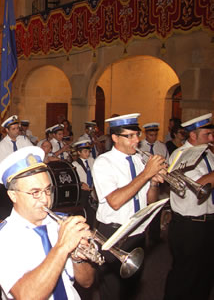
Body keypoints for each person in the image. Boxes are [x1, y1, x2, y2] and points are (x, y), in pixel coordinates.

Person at [0, 146, 95, 299]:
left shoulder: (60, 223)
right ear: (13, 195)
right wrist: (62, 248)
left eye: (48, 190)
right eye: (35, 192)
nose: (45, 199)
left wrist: (78, 257)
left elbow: (87, 282)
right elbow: (27, 296)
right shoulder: (1, 240)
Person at [92, 113, 165, 300]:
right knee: (113, 292)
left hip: (138, 232)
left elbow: (151, 200)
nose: (136, 140)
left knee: (131, 290)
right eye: (130, 136)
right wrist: (146, 175)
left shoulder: (140, 161)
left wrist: (154, 182)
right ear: (115, 138)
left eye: (137, 135)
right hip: (114, 234)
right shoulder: (104, 162)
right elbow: (115, 201)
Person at [163, 113, 214, 300]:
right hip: (189, 225)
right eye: (207, 135)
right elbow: (200, 184)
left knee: (205, 275)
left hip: (209, 221)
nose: (211, 139)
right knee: (184, 275)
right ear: (193, 135)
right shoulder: (181, 155)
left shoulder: (208, 154)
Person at [0, 115, 33, 219]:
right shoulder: (2, 145)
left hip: (24, 180)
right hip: (9, 183)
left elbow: (32, 154)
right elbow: (0, 165)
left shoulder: (24, 140)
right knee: (7, 212)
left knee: (22, 210)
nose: (17, 131)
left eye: (17, 128)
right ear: (7, 130)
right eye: (13, 129)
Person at [71, 139, 96, 227]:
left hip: (92, 191)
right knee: (85, 213)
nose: (88, 153)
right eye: (85, 151)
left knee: (92, 214)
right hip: (83, 192)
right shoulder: (74, 164)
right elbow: (74, 180)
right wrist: (81, 183)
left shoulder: (92, 160)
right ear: (79, 152)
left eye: (88, 151)